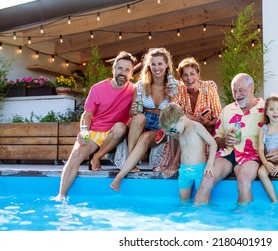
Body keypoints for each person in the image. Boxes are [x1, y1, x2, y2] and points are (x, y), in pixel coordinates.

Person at [194, 73, 278, 205]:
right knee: (206, 180)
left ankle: (243, 221)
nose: (237, 94)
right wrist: (225, 140)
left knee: (244, 181)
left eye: (241, 90)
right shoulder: (227, 110)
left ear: (252, 88)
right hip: (227, 153)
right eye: (234, 91)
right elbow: (215, 138)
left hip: (251, 155)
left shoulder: (266, 110)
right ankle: (198, 222)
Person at [53, 51, 137, 200]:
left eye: (127, 70)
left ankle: (96, 157)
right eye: (120, 68)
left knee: (120, 127)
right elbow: (87, 115)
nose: (122, 73)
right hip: (95, 132)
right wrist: (84, 132)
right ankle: (61, 195)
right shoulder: (98, 88)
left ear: (131, 73)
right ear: (113, 69)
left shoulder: (134, 91)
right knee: (76, 155)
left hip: (116, 134)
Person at [109, 47, 174, 191]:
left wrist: (172, 96)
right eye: (153, 64)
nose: (156, 68)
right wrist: (134, 112)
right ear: (149, 66)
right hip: (143, 122)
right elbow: (133, 113)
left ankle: (119, 176)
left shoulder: (173, 86)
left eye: (160, 64)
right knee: (139, 118)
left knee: (145, 137)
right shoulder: (140, 86)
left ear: (166, 65)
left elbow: (175, 113)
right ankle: (132, 161)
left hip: (161, 124)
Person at [156, 57, 222, 177]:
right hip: (185, 131)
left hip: (207, 131)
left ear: (198, 74)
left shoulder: (209, 87)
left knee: (187, 128)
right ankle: (175, 163)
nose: (189, 78)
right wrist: (197, 119)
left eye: (192, 74)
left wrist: (206, 123)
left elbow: (218, 117)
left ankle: (175, 163)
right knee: (177, 126)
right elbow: (174, 114)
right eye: (185, 75)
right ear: (181, 78)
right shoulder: (179, 90)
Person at [159, 103, 217, 202]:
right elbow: (183, 139)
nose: (174, 131)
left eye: (173, 129)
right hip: (184, 170)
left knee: (201, 202)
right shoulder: (181, 130)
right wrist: (171, 134)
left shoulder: (196, 127)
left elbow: (213, 144)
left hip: (199, 170)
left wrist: (210, 164)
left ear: (181, 119)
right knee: (183, 202)